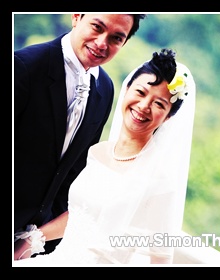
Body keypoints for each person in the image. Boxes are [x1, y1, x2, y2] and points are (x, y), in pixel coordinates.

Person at [14, 48, 196, 265]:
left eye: (159, 104)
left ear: (168, 117)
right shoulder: (99, 151)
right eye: (140, 92)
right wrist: (33, 239)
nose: (144, 106)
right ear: (127, 89)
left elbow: (161, 257)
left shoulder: (159, 179)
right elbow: (84, 214)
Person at [14, 14, 147, 254]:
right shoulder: (24, 67)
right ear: (77, 17)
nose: (102, 43)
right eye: (97, 27)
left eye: (116, 38)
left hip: (37, 244)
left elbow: (74, 173)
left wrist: (37, 240)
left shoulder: (105, 89)